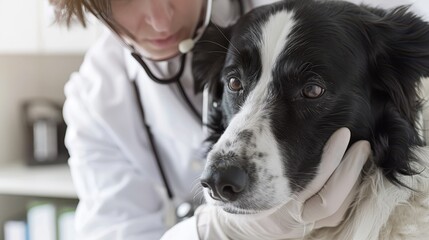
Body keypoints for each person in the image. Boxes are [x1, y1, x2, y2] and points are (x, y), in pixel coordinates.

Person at [52, 0, 429, 239]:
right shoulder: (96, 97)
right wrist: (215, 231)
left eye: (311, 90)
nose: (158, 17)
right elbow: (114, 232)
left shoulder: (327, 21)